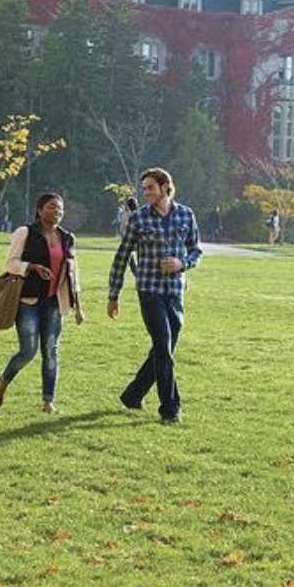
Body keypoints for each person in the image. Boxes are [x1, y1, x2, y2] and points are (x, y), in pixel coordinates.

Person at [107, 166, 202, 424]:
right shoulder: (138, 219)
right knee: (163, 345)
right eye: (144, 188)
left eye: (150, 187)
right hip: (149, 291)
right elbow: (122, 257)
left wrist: (182, 264)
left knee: (165, 349)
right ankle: (170, 408)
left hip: (175, 291)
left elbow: (196, 250)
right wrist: (113, 295)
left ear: (165, 188)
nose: (146, 192)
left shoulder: (185, 215)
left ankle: (133, 395)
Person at [0, 191, 83, 414]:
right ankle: (4, 379)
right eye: (51, 207)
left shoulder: (67, 238)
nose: (57, 211)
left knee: (51, 350)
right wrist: (32, 267)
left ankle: (48, 401)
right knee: (28, 351)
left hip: (54, 303)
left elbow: (73, 273)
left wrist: (78, 306)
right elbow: (10, 263)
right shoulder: (25, 233)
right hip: (28, 302)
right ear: (40, 210)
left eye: (60, 208)